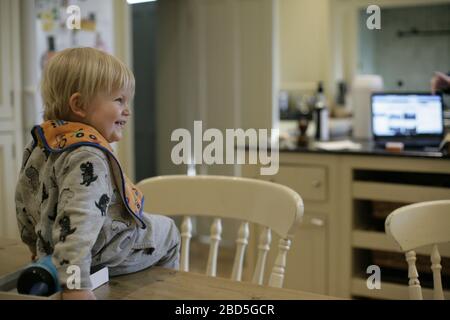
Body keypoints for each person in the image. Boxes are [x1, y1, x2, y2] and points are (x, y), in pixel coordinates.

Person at [15, 47, 180, 300]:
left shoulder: (43, 142)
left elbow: (24, 201)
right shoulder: (88, 155)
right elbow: (80, 221)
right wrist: (75, 287)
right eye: (119, 100)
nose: (128, 110)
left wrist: (37, 251)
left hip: (53, 247)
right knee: (168, 230)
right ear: (79, 105)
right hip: (101, 248)